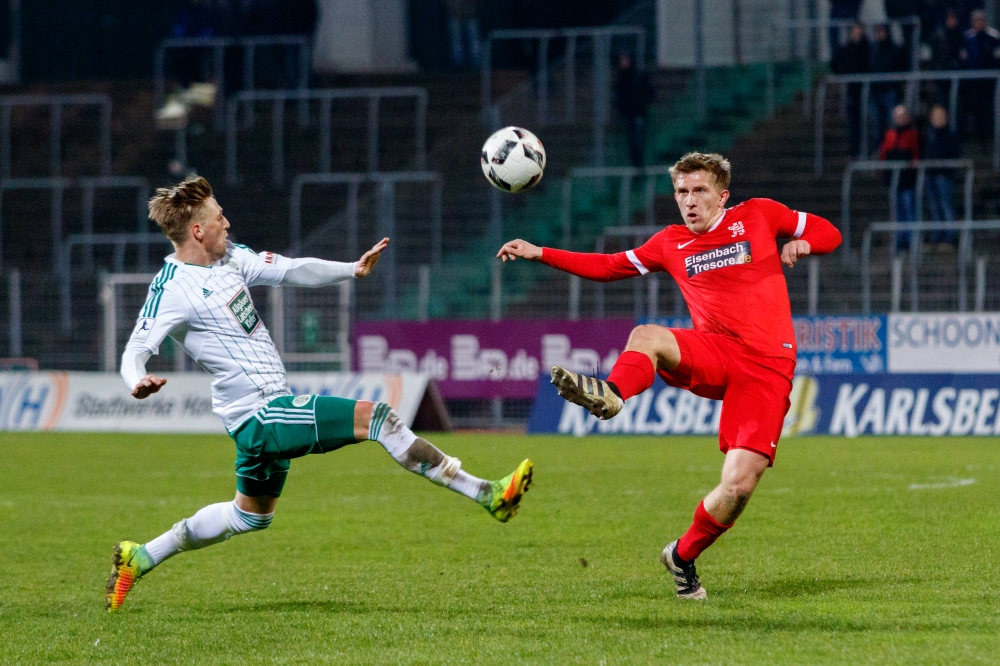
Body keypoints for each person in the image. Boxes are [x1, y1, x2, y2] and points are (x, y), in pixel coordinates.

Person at [105, 176, 533, 612]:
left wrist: (351, 269)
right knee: (378, 418)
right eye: (219, 217)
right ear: (198, 230)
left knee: (249, 516)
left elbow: (290, 269)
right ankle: (488, 494)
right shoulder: (171, 288)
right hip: (260, 415)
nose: (227, 223)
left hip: (257, 414)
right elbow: (135, 350)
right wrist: (136, 379)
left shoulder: (230, 258)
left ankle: (141, 556)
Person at [496, 153, 842, 599]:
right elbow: (609, 266)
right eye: (682, 192)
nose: (689, 201)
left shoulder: (759, 214)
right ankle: (612, 393)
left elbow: (828, 231)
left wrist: (804, 244)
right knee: (647, 335)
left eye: (699, 191)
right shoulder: (670, 242)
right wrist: (540, 253)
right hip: (715, 352)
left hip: (767, 367)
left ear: (723, 195)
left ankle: (681, 556)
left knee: (738, 486)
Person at [879, 105, 920, 249]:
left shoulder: (912, 134)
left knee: (909, 210)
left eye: (902, 116)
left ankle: (911, 241)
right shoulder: (890, 134)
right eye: (897, 116)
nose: (900, 119)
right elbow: (884, 154)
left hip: (908, 180)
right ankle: (900, 240)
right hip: (894, 180)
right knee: (897, 212)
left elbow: (915, 155)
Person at [923, 104, 961, 247]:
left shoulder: (950, 135)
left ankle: (949, 237)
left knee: (946, 206)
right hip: (930, 176)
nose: (938, 119)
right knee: (934, 207)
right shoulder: (929, 135)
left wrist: (944, 170)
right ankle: (938, 236)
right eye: (935, 116)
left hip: (944, 176)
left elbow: (954, 154)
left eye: (940, 116)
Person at [831, 22, 870, 158]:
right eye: (856, 29)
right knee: (854, 122)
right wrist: (846, 73)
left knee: (866, 120)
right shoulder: (846, 47)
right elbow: (835, 64)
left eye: (860, 29)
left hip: (867, 89)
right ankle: (855, 150)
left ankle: (866, 150)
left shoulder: (867, 47)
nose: (858, 31)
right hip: (852, 90)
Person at [960, 10, 1000, 138]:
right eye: (976, 20)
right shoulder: (967, 37)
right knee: (975, 108)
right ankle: (977, 135)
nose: (979, 23)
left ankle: (990, 134)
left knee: (989, 108)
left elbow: (996, 58)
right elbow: (964, 58)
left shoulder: (993, 36)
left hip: (990, 81)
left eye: (981, 20)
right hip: (973, 81)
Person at [869, 24, 906, 155]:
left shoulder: (894, 49)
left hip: (890, 90)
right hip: (876, 90)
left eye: (882, 31)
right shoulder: (873, 49)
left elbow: (900, 66)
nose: (880, 34)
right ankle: (880, 149)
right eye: (878, 32)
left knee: (892, 122)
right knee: (877, 123)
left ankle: (893, 148)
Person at [615, 52, 655, 168]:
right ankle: (635, 165)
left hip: (638, 113)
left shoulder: (638, 76)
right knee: (631, 141)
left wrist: (641, 105)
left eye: (625, 60)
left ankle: (639, 165)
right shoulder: (621, 78)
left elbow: (649, 92)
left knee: (638, 140)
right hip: (628, 114)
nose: (623, 63)